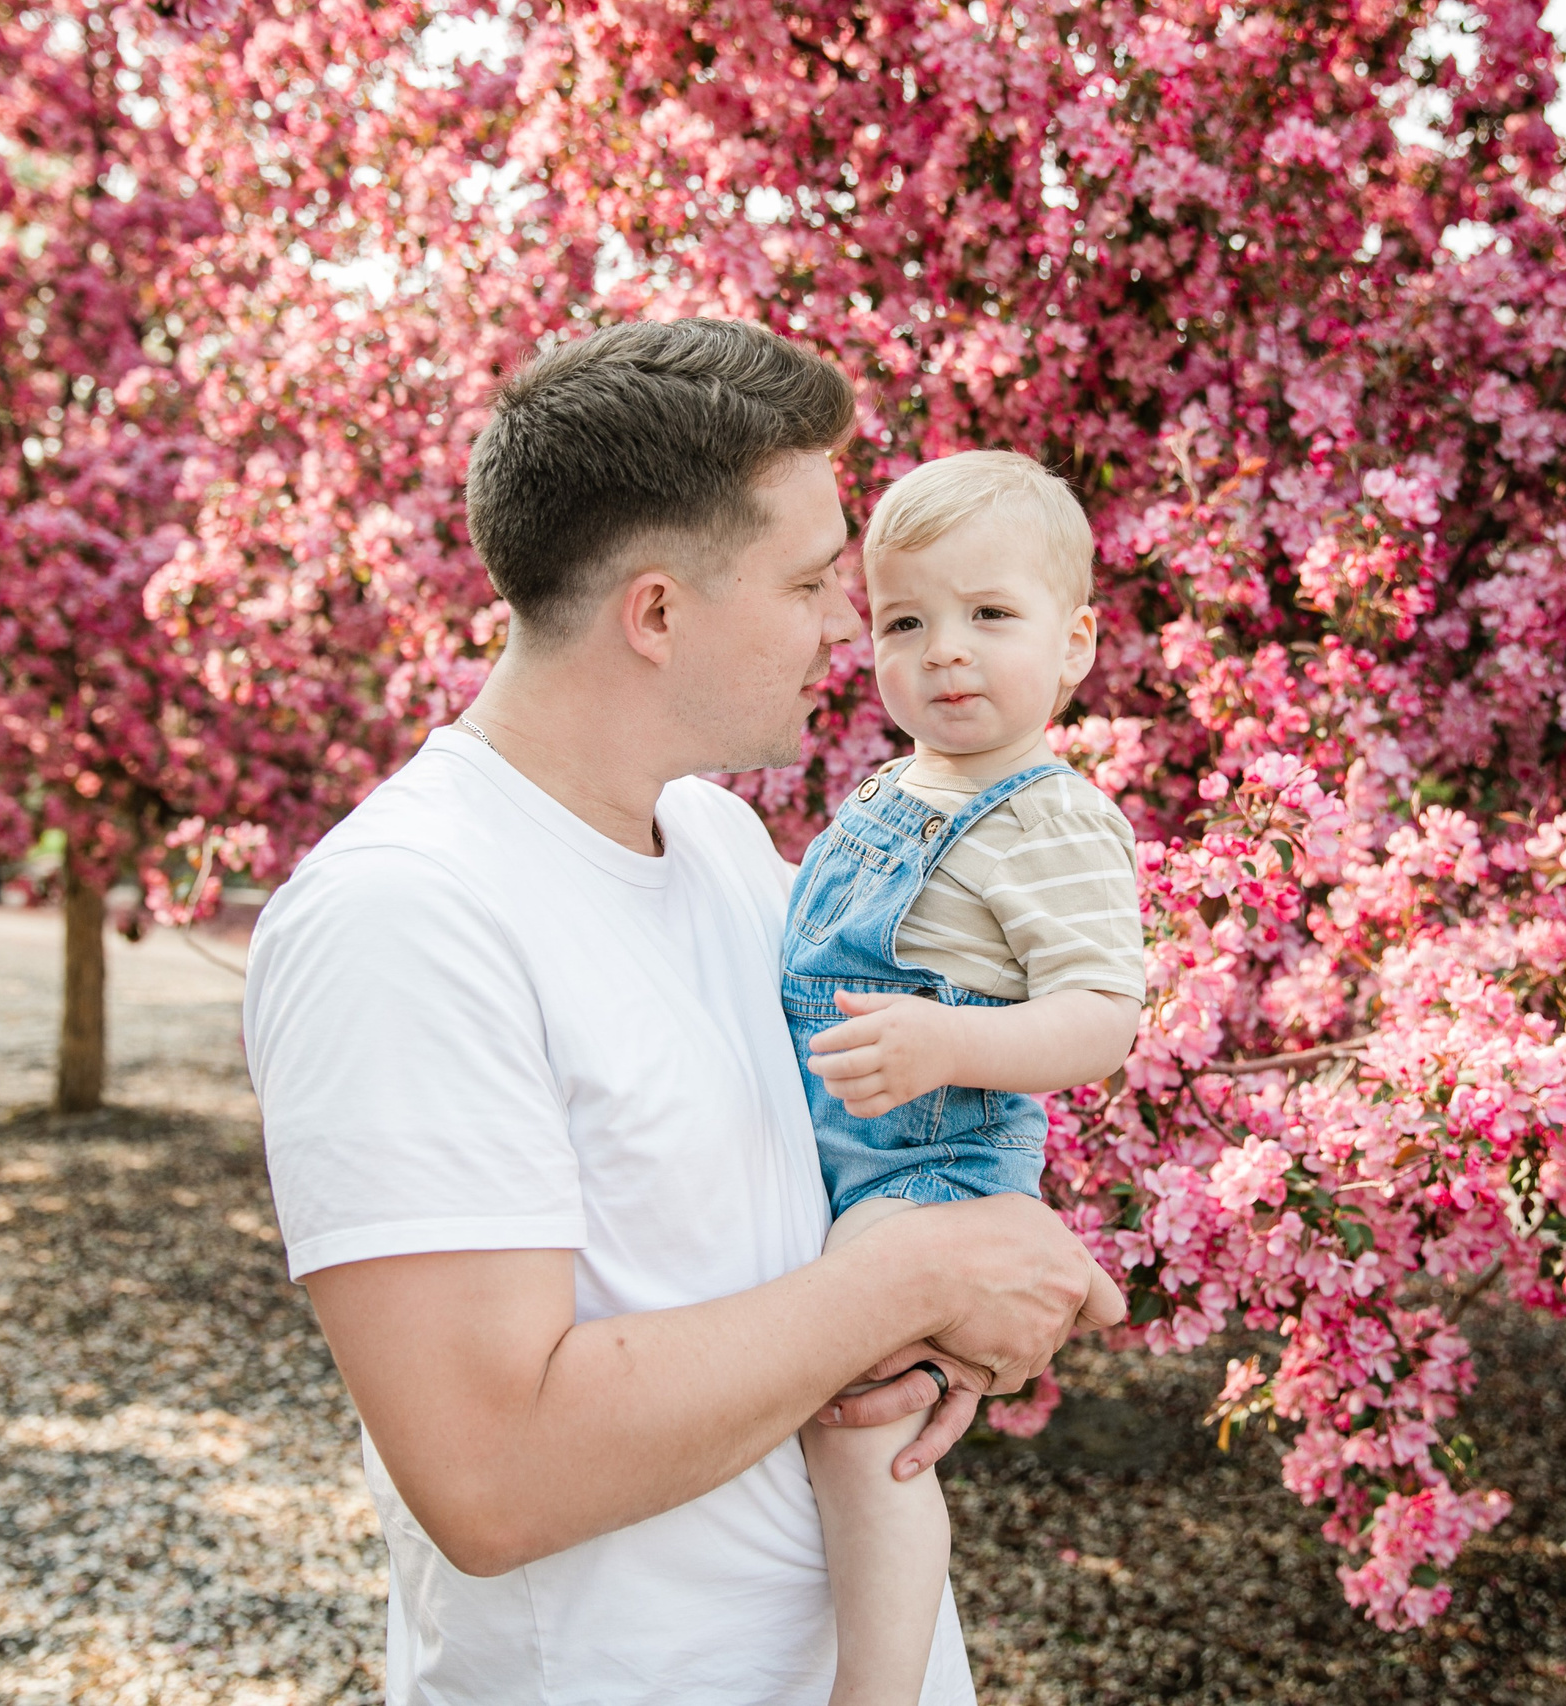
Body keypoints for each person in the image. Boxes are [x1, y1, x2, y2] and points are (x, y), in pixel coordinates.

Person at [241, 318, 1125, 1704]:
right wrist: (914, 1280)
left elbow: (826, 1199)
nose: (847, 626)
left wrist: (973, 1272)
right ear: (656, 614)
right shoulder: (406, 915)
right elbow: (490, 1473)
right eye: (812, 581)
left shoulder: (714, 845)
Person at [785, 452, 1145, 1706]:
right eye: (905, 620)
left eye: (990, 615)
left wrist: (953, 1044)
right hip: (844, 1141)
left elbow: (1102, 1016)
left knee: (859, 1421)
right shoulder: (893, 787)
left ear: (1075, 644)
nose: (945, 650)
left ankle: (876, 1689)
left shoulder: (1048, 819)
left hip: (929, 1160)